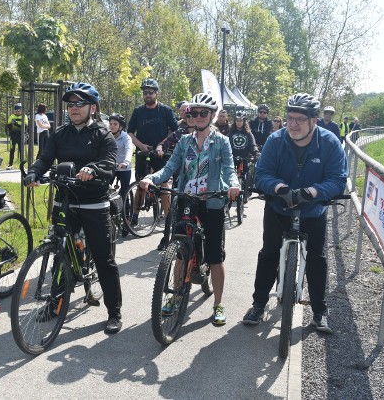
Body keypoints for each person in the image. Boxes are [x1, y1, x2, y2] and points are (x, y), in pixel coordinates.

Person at [242, 93, 347, 333]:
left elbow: (338, 179)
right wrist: (279, 188)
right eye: (290, 118)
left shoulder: (329, 143)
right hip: (278, 207)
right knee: (268, 253)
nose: (293, 124)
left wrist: (313, 192)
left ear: (314, 121)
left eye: (300, 119)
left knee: (317, 259)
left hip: (312, 211)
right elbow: (262, 173)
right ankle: (258, 304)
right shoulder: (275, 140)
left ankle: (320, 311)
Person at [23, 82, 123, 334]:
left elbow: (109, 162)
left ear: (93, 107)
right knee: (60, 254)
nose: (74, 108)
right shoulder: (60, 133)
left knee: (104, 259)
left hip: (94, 203)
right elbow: (45, 158)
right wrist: (35, 172)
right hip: (65, 200)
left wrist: (94, 169)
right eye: (71, 104)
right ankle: (55, 303)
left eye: (80, 103)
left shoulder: (103, 134)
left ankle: (114, 312)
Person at [140, 92, 240, 326]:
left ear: (212, 115)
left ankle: (218, 304)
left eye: (203, 112)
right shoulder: (185, 141)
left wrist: (233, 184)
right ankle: (175, 296)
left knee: (215, 255)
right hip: (186, 200)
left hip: (212, 201)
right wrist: (151, 177)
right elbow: (169, 168)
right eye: (194, 112)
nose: (198, 116)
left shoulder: (221, 141)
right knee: (178, 249)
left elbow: (229, 168)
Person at [126, 78, 178, 225]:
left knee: (163, 184)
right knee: (140, 184)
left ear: (156, 93)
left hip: (161, 154)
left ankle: (168, 217)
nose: (147, 95)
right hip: (143, 153)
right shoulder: (138, 111)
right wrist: (141, 146)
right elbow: (130, 132)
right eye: (145, 92)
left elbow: (175, 131)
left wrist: (163, 145)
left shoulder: (165, 110)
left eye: (150, 92)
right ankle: (135, 215)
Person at [153, 105, 197, 251]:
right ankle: (168, 236)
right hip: (181, 179)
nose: (190, 119)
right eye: (188, 116)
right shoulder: (180, 134)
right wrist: (160, 148)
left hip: (202, 184)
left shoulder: (207, 134)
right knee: (178, 211)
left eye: (194, 115)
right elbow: (165, 143)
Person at [108, 113, 133, 237]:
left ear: (121, 126)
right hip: (111, 167)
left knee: (124, 193)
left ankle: (125, 219)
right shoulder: (107, 136)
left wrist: (126, 162)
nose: (112, 126)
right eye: (111, 124)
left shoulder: (125, 137)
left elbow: (129, 150)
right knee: (105, 190)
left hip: (124, 168)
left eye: (115, 124)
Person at [228, 111, 258, 188]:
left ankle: (248, 187)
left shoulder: (248, 133)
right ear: (234, 121)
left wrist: (256, 152)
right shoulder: (231, 132)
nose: (239, 122)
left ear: (244, 121)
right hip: (233, 158)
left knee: (247, 172)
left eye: (241, 120)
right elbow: (225, 143)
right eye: (237, 120)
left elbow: (252, 144)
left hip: (244, 158)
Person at [6, 102, 27, 170]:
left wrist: (16, 124)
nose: (18, 112)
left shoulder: (24, 116)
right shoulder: (12, 116)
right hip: (13, 136)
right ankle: (10, 164)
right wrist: (8, 130)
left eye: (19, 110)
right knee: (12, 150)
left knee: (21, 150)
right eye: (16, 110)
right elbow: (8, 125)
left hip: (21, 136)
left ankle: (22, 165)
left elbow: (25, 126)